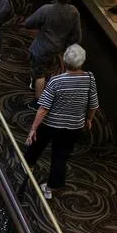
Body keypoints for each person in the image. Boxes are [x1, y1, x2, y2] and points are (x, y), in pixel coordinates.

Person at [25, 44, 98, 200]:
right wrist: (89, 119)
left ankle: (28, 166)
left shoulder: (56, 81)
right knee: (61, 155)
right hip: (73, 126)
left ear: (64, 61)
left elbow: (43, 108)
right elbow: (93, 104)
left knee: (37, 144)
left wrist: (33, 129)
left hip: (51, 124)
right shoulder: (89, 79)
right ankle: (49, 188)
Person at [24, 0, 82, 99]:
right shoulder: (74, 12)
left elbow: (28, 23)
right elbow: (77, 35)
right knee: (48, 68)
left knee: (40, 74)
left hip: (42, 48)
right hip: (58, 49)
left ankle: (38, 101)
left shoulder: (46, 9)